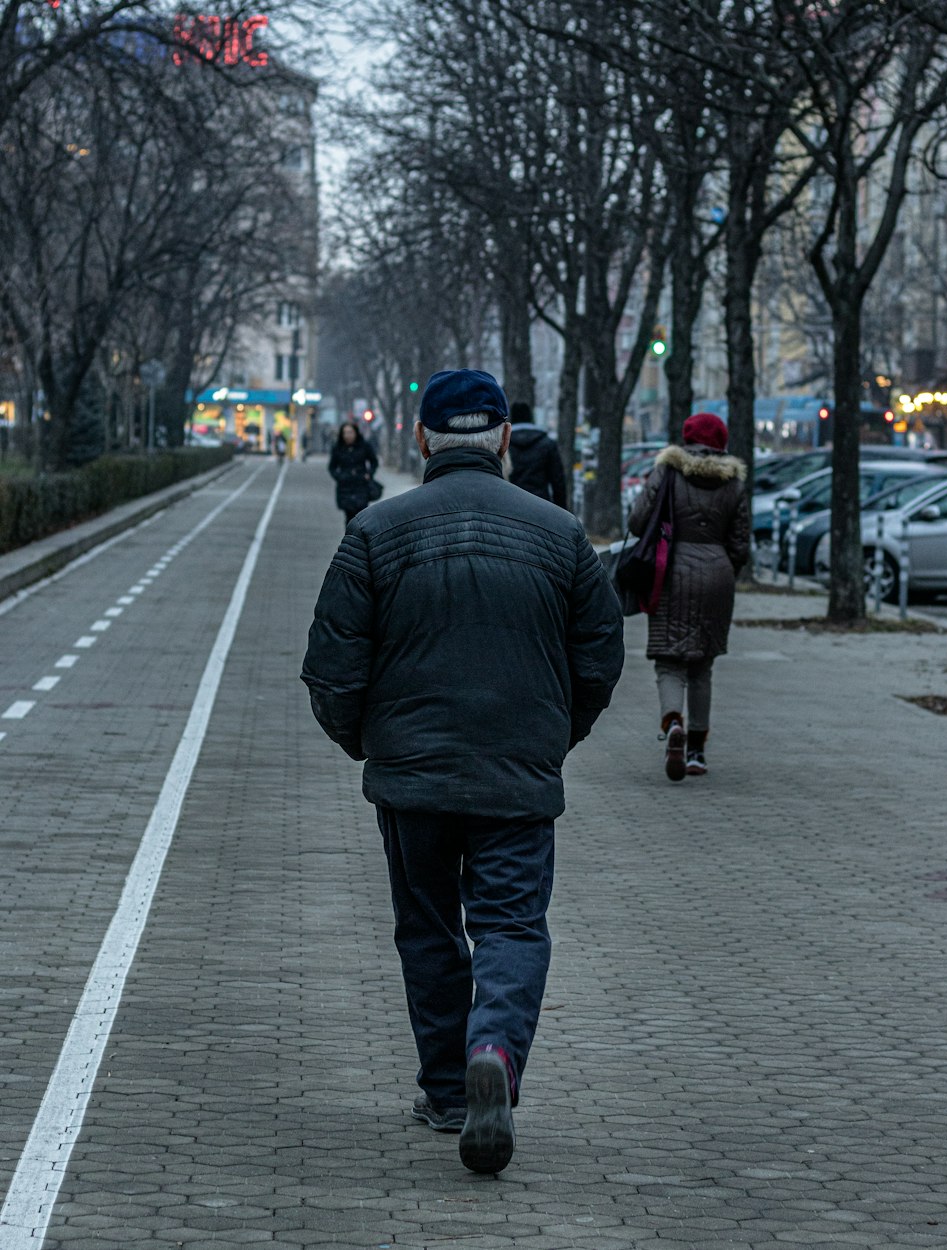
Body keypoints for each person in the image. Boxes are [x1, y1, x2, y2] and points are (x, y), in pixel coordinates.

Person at [301, 369, 623, 1174]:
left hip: (412, 777)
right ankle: (496, 1053)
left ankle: (448, 1090)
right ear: (506, 439)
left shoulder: (377, 531)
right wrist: (556, 736)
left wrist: (369, 744)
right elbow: (601, 657)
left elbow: (332, 668)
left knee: (429, 928)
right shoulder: (560, 535)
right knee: (511, 925)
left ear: (420, 439)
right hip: (517, 772)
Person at [627, 411, 749, 782]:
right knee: (702, 665)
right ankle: (696, 750)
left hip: (670, 572)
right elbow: (741, 543)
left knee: (669, 662)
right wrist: (724, 567)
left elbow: (637, 521)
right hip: (717, 574)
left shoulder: (668, 471)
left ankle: (672, 722)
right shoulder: (734, 483)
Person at [506, 401, 568, 509]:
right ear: (531, 418)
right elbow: (558, 482)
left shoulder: (504, 445)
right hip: (541, 506)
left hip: (511, 506)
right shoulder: (547, 444)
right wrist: (562, 510)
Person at [327, 421, 378, 525]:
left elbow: (374, 462)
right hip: (345, 486)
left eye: (350, 432)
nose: (348, 435)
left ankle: (361, 539)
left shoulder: (364, 446)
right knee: (349, 516)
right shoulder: (338, 448)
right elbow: (332, 467)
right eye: (345, 433)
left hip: (361, 484)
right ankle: (350, 539)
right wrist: (339, 477)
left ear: (355, 433)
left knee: (362, 516)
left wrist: (369, 474)